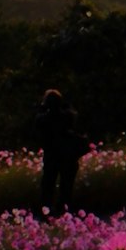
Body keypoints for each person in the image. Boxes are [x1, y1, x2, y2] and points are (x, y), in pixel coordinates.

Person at [30, 88, 85, 216]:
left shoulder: (42, 119)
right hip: (68, 156)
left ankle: (47, 212)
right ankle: (64, 211)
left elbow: (35, 136)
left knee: (48, 186)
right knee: (66, 187)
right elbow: (74, 120)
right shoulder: (68, 116)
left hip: (51, 156)